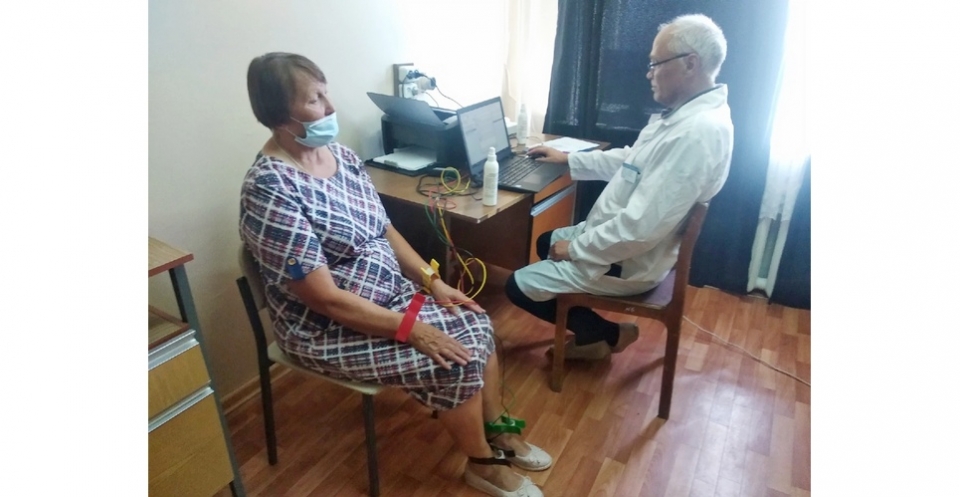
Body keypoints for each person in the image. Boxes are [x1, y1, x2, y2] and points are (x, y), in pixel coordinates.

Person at [239, 52, 550, 497]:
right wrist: (413, 330)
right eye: (314, 99)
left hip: (389, 297)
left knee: (475, 320)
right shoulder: (270, 189)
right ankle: (481, 464)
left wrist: (434, 283)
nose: (330, 107)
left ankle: (497, 429)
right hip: (325, 328)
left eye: (326, 93)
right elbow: (323, 299)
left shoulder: (342, 157)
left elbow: (384, 229)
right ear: (278, 116)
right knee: (454, 359)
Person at [508, 14, 734, 360]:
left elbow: (641, 229)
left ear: (691, 64)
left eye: (656, 63)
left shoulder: (696, 134)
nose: (649, 73)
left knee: (516, 286)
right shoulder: (686, 118)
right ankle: (590, 334)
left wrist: (577, 248)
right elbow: (632, 161)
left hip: (629, 259)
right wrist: (568, 158)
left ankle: (609, 334)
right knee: (545, 242)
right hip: (627, 243)